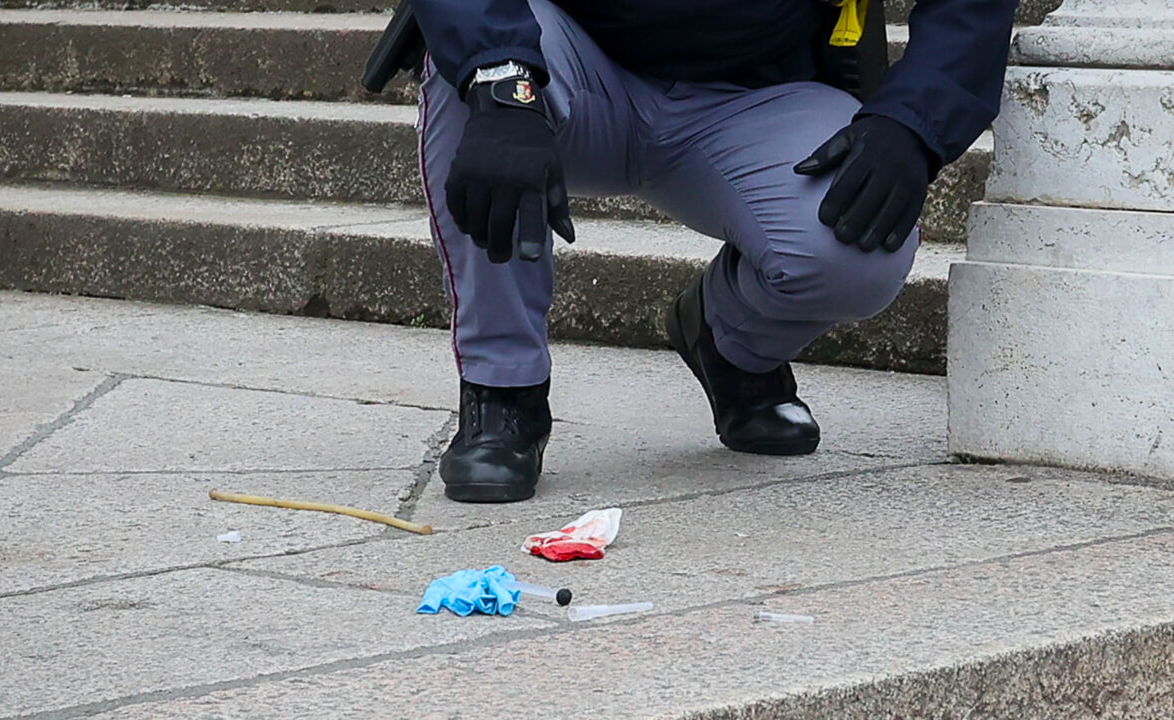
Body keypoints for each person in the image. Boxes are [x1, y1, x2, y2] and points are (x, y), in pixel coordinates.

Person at [409, 0, 1019, 503]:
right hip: (571, 63)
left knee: (858, 247)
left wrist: (913, 119)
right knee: (478, 77)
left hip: (755, 90)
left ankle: (730, 343)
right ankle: (503, 393)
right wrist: (501, 76)